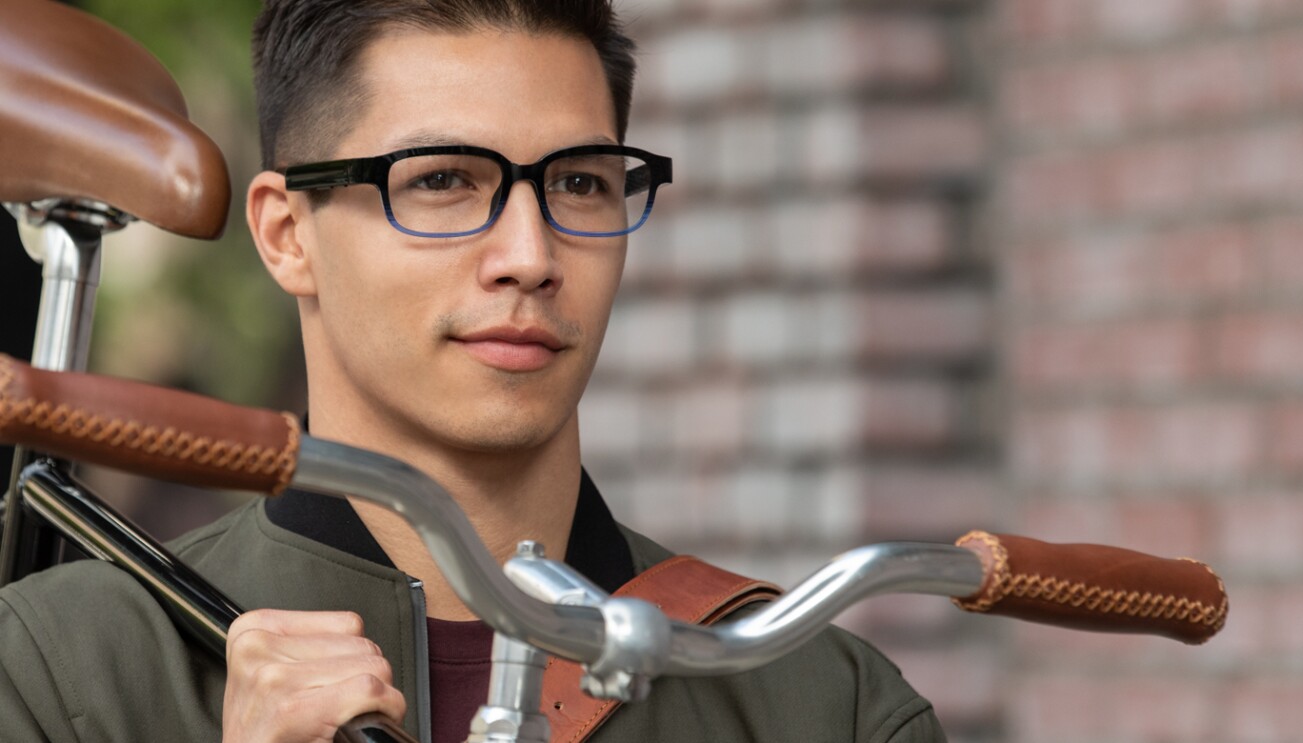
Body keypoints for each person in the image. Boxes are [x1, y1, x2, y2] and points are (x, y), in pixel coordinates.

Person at [0, 1, 946, 741]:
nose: (530, 254)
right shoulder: (56, 672)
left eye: (581, 182)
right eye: (443, 181)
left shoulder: (825, 704)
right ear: (289, 235)